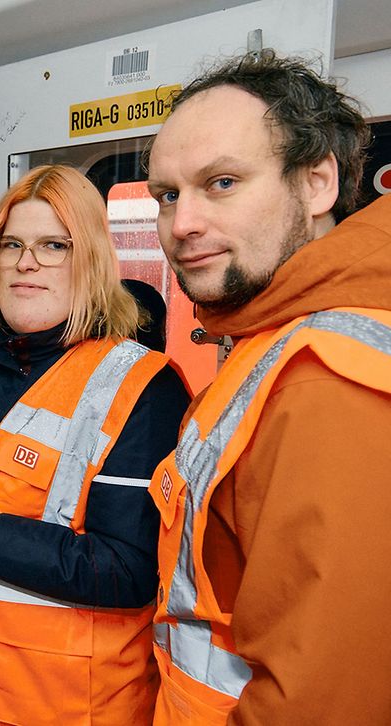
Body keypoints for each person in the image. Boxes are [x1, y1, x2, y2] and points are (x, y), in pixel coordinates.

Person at [0, 165, 190, 725]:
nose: (27, 262)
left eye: (54, 246)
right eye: (12, 244)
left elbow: (128, 570)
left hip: (65, 705)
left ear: (90, 260)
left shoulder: (144, 387)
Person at [145, 51, 391, 724]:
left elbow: (322, 699)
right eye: (167, 195)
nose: (182, 224)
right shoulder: (270, 337)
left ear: (316, 184)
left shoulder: (330, 377)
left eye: (220, 182)